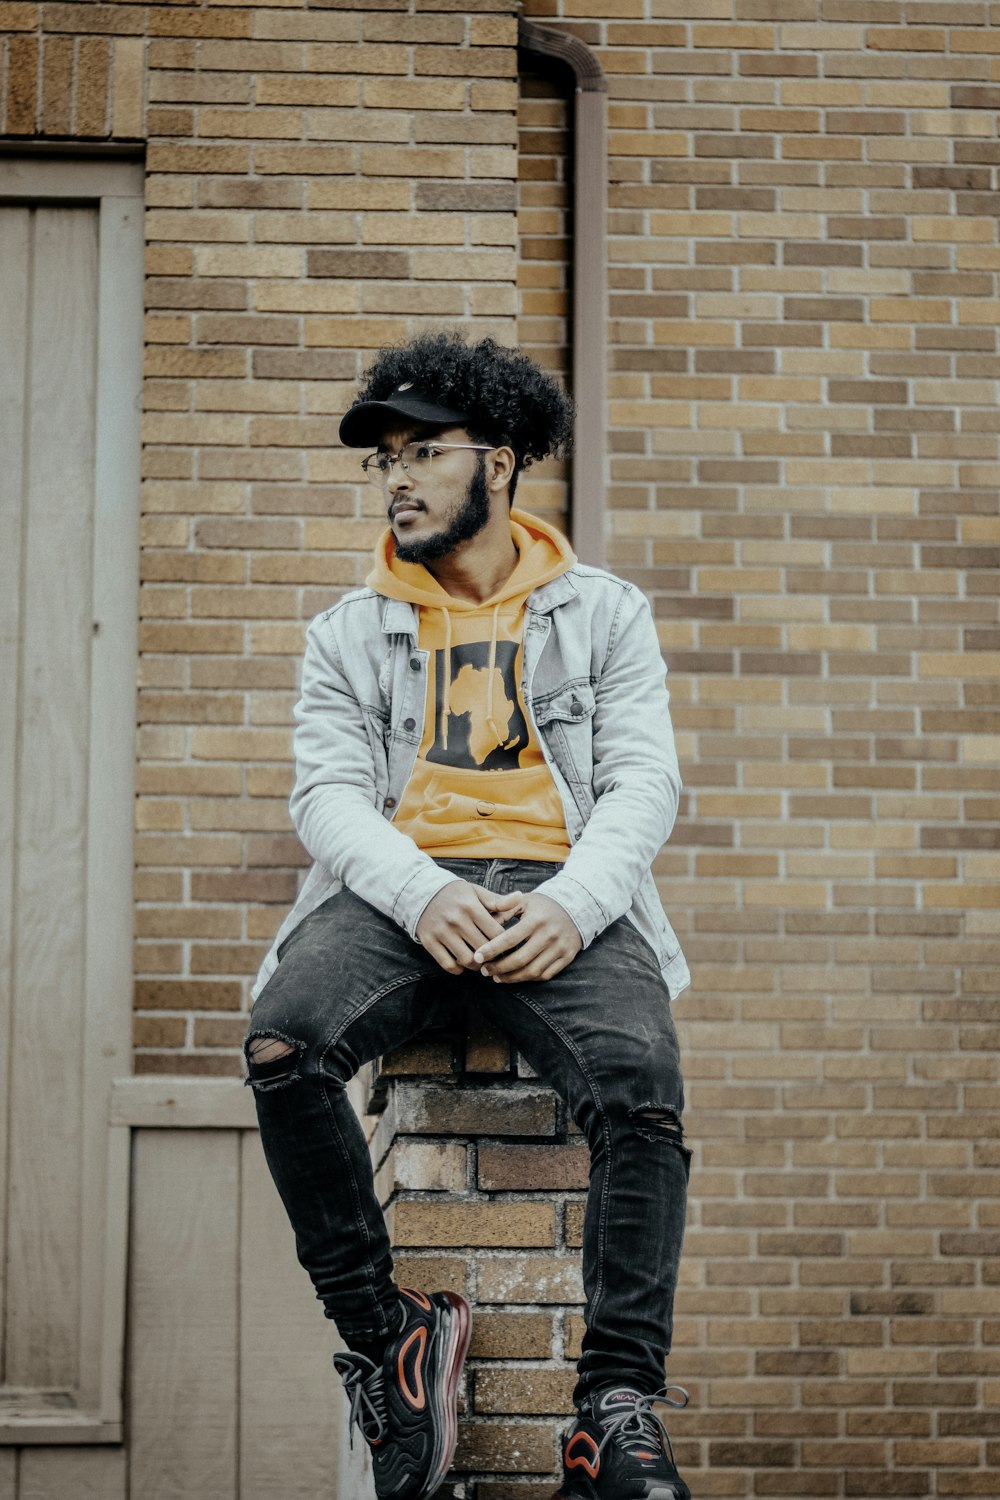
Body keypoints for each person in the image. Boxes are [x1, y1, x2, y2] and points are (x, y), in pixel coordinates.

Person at [243, 331, 693, 1500]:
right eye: (382, 458)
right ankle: (385, 1341)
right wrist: (424, 890)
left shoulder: (603, 614)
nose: (395, 478)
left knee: (641, 1085)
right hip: (402, 887)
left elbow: (645, 782)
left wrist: (575, 904)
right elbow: (327, 796)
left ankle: (613, 1407)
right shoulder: (347, 630)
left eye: (423, 452)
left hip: (562, 888)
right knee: (283, 1038)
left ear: (498, 463)